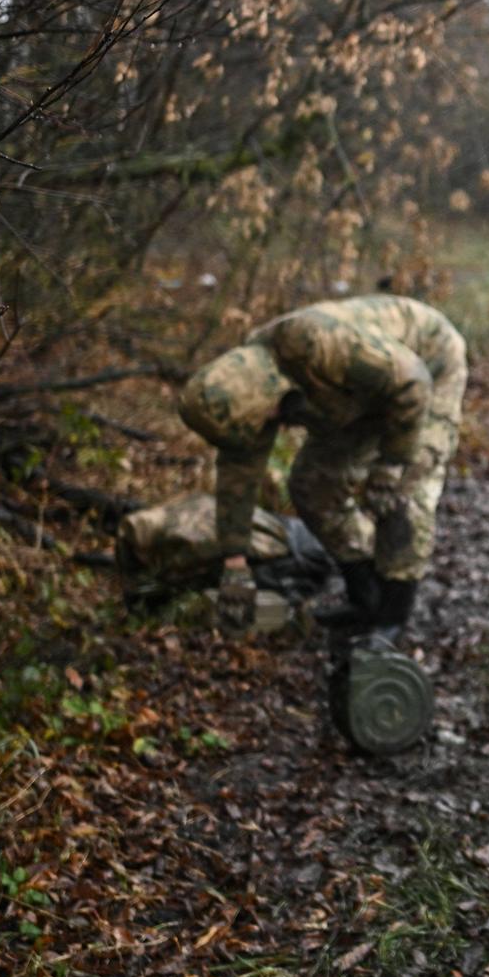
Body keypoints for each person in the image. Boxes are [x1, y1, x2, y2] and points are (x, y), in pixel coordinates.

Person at [179, 293, 466, 752]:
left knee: (402, 497)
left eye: (273, 418)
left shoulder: (313, 343)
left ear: (272, 394)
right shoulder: (243, 394)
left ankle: (392, 618)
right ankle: (362, 591)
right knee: (312, 485)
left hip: (426, 370)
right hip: (360, 401)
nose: (274, 425)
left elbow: (411, 382)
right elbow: (237, 479)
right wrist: (234, 565)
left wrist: (392, 465)